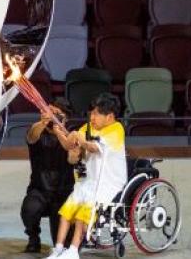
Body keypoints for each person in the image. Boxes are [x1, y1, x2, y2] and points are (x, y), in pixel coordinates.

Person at [45, 93, 127, 259]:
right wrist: (59, 132)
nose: (92, 116)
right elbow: (70, 146)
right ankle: (59, 249)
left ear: (110, 116)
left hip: (109, 184)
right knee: (65, 214)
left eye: (97, 113)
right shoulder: (87, 127)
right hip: (88, 181)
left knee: (83, 213)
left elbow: (93, 147)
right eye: (91, 113)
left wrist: (80, 140)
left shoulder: (116, 129)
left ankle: (74, 251)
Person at [20, 100, 75, 253]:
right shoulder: (37, 129)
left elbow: (72, 150)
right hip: (40, 189)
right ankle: (33, 238)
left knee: (62, 244)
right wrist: (43, 122)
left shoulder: (72, 133)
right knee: (29, 209)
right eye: (49, 112)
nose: (52, 117)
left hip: (63, 192)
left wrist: (60, 130)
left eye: (56, 114)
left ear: (66, 117)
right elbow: (31, 137)